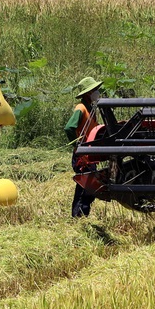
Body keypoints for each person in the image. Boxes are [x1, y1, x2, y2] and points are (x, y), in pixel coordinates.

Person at [64, 76, 103, 218]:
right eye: (95, 90)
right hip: (82, 156)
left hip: (89, 154)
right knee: (84, 187)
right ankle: (77, 217)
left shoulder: (91, 109)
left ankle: (82, 216)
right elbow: (69, 127)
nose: (97, 92)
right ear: (88, 93)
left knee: (90, 188)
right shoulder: (81, 108)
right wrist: (77, 146)